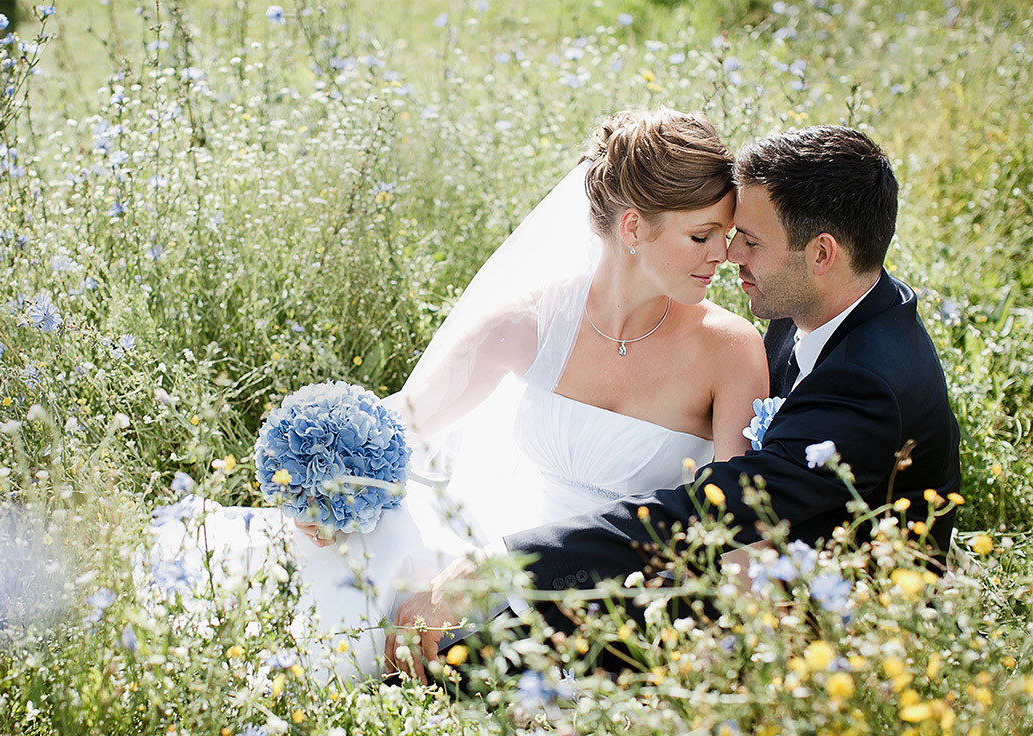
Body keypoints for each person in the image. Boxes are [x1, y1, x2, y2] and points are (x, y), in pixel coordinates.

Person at [150, 108, 768, 680]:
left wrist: (742, 648)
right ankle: (249, 680)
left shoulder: (730, 349)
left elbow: (735, 519)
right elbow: (402, 424)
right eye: (702, 237)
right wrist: (323, 487)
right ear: (633, 226)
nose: (726, 256)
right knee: (373, 541)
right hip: (496, 536)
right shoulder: (532, 319)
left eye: (728, 234)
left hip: (622, 573)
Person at [387, 125, 962, 680]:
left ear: (821, 253)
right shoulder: (815, 310)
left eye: (750, 240)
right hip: (697, 565)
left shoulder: (868, 379)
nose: (732, 255)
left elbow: (720, 510)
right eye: (716, 234)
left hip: (831, 628)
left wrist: (505, 563)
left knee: (451, 663)